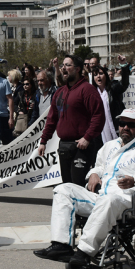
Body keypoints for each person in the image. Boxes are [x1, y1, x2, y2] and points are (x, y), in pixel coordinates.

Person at [33, 109, 135, 267]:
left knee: (108, 200)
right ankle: (61, 245)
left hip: (125, 202)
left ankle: (84, 251)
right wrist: (93, 173)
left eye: (131, 125)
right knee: (63, 189)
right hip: (100, 197)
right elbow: (99, 167)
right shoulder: (109, 146)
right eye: (122, 124)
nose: (125, 128)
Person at [38, 56, 105, 186]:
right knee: (67, 186)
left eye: (68, 65)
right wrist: (43, 141)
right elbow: (52, 119)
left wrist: (87, 138)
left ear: (77, 69)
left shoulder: (87, 90)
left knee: (78, 185)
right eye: (63, 65)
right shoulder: (59, 93)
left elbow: (99, 116)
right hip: (64, 146)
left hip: (82, 147)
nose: (63, 68)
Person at [92, 60, 130, 144]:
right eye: (95, 75)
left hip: (116, 127)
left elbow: (124, 83)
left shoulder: (113, 88)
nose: (98, 76)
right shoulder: (92, 93)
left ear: (106, 75)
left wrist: (124, 66)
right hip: (100, 132)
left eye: (101, 74)